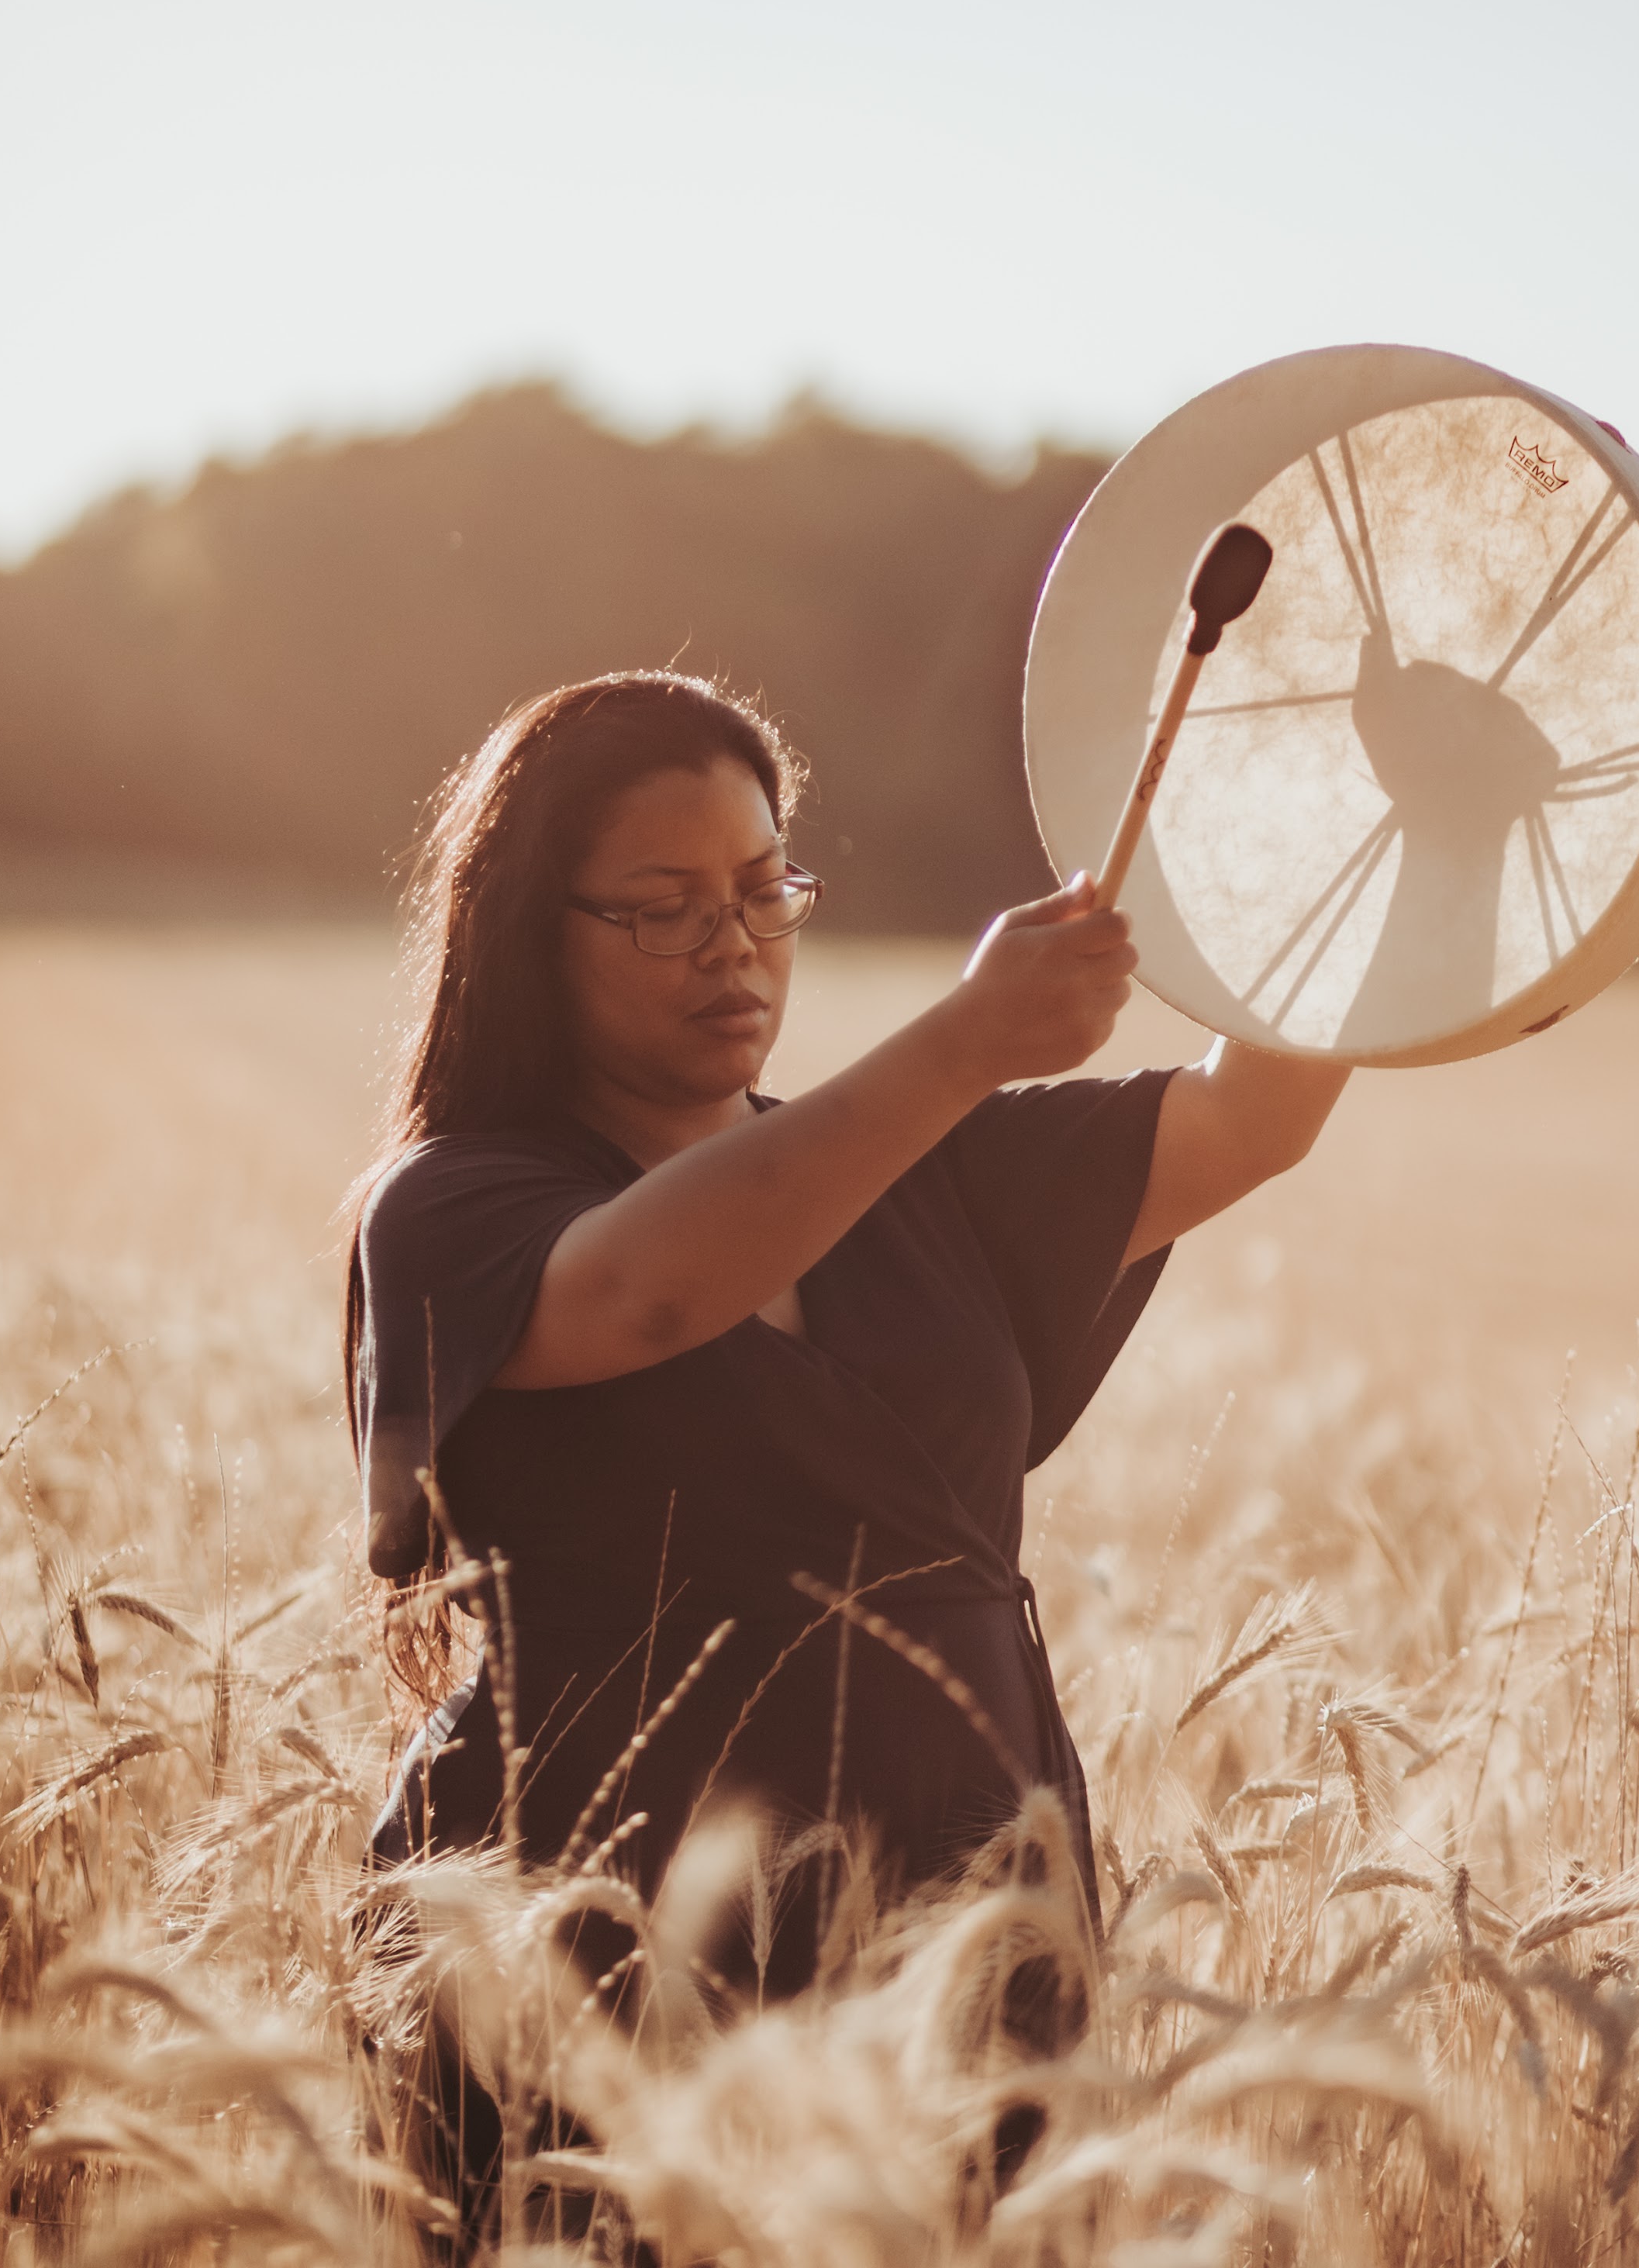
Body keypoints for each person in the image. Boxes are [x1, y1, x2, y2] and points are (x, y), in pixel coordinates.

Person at [347, 668, 1347, 1986]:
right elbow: (647, 1293)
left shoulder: (934, 1168)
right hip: (589, 1949)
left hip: (967, 1931)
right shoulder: (451, 1205)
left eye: (766, 892)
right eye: (665, 911)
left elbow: (1251, 1121)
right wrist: (972, 1039)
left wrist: (1371, 824)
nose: (734, 945)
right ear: (531, 932)